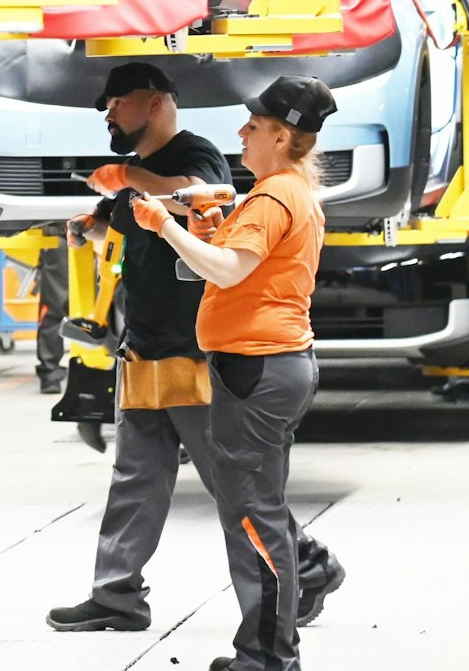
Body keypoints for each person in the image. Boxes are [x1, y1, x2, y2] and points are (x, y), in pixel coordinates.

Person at [46, 63, 340, 636]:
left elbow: (206, 213)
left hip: (199, 353)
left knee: (237, 488)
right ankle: (117, 592)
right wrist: (96, 223)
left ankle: (303, 570)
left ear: (154, 103)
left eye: (117, 102)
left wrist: (135, 183)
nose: (109, 113)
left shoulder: (198, 158)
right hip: (146, 345)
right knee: (136, 474)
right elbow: (146, 237)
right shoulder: (156, 179)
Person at [129, 74, 338, 671]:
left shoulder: (273, 197)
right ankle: (264, 649)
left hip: (258, 369)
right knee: (255, 508)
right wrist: (202, 229)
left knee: (254, 515)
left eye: (254, 125)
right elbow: (224, 266)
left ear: (280, 136)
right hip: (270, 366)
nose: (241, 132)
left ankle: (271, 658)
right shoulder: (283, 191)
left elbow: (225, 271)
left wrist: (164, 226)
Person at [32, 229, 71, 394]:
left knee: (54, 307)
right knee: (55, 306)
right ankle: (50, 372)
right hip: (66, 233)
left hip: (65, 233)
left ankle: (50, 372)